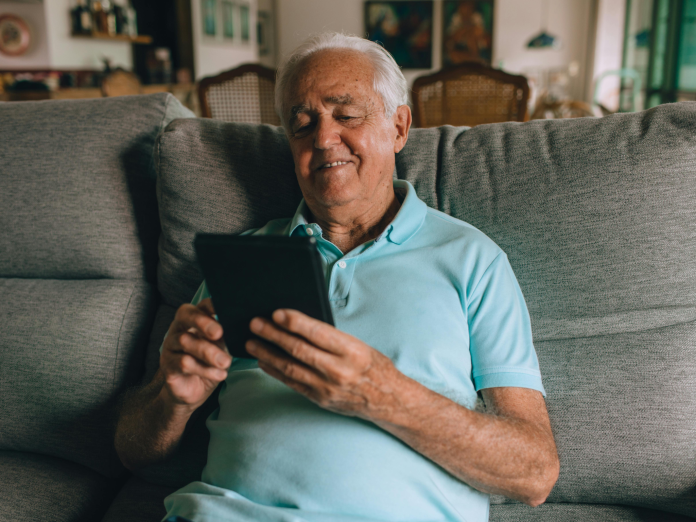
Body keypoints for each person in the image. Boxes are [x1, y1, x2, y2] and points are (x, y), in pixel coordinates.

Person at [115, 32, 559, 522]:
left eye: (346, 115)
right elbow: (133, 449)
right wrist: (171, 398)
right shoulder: (243, 256)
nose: (324, 139)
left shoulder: (471, 259)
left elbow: (535, 474)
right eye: (302, 125)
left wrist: (383, 395)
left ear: (398, 126)